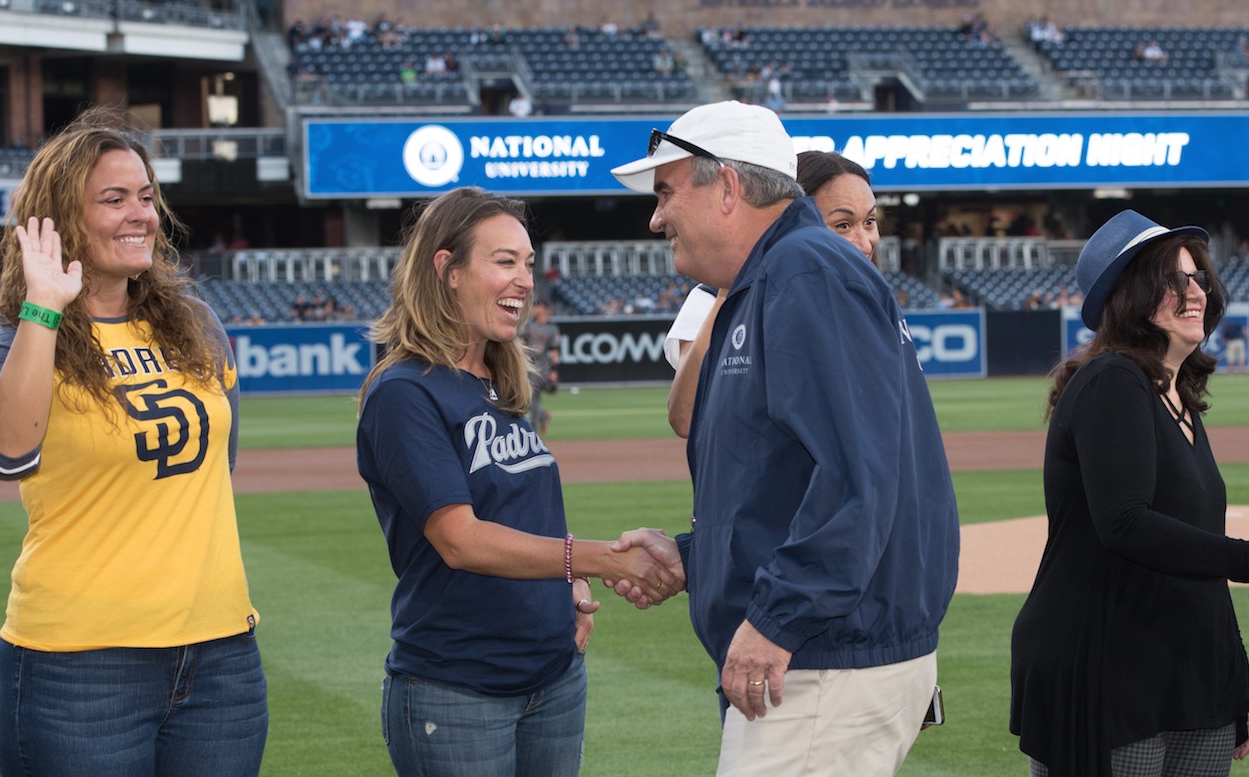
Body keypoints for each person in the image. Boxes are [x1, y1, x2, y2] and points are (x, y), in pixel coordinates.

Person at [606, 100, 960, 776]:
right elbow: (782, 478)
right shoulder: (771, 277)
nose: (655, 217)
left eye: (666, 191)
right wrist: (696, 555)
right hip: (822, 653)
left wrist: (776, 618)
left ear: (729, 189)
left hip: (822, 658)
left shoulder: (805, 270)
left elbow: (857, 474)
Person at [0, 106, 267, 776]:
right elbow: (3, 454)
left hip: (220, 655)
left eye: (146, 196)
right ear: (59, 219)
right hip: (79, 666)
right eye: (113, 199)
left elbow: (221, 466)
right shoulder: (20, 341)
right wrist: (44, 304)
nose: (141, 214)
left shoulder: (195, 324)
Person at [355, 186, 682, 777]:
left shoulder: (498, 380)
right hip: (458, 687)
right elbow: (462, 539)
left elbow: (516, 508)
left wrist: (566, 588)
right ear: (447, 270)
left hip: (553, 677)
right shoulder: (405, 391)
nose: (524, 280)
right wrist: (597, 561)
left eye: (528, 263)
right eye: (504, 261)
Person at [1009, 209, 1249, 776]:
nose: (1196, 292)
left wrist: (1235, 675)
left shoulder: (1178, 398)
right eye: (1174, 279)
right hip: (1110, 672)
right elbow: (1126, 523)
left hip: (1192, 676)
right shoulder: (1112, 380)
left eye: (1198, 278)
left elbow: (1197, 557)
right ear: (1130, 293)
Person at [664, 150, 881, 438]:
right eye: (843, 225)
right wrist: (728, 292)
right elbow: (687, 418)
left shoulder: (871, 303)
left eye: (870, 222)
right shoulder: (710, 298)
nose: (865, 244)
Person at [522, 298, 560, 435]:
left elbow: (555, 350)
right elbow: (522, 343)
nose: (534, 308)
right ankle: (543, 416)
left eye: (537, 306)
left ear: (543, 308)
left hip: (542, 366)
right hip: (529, 364)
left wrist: (554, 370)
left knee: (532, 398)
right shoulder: (528, 326)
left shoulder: (551, 328)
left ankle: (534, 433)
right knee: (527, 399)